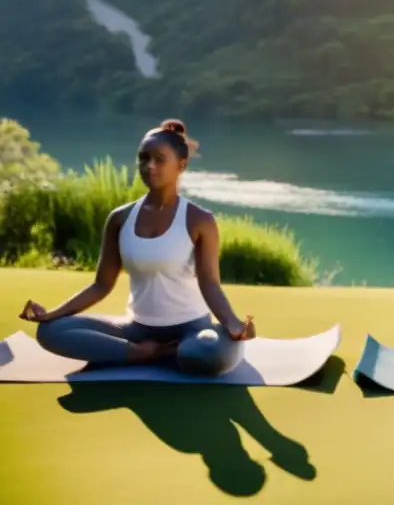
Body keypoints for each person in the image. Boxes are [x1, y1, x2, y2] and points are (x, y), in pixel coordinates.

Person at [18, 119, 256, 376]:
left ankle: (168, 351)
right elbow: (101, 285)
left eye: (159, 159)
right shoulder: (120, 218)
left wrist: (232, 323)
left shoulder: (199, 219)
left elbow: (209, 283)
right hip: (137, 329)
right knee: (50, 332)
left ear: (181, 165)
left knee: (203, 353)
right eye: (143, 158)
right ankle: (143, 353)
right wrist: (52, 314)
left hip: (191, 329)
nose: (149, 166)